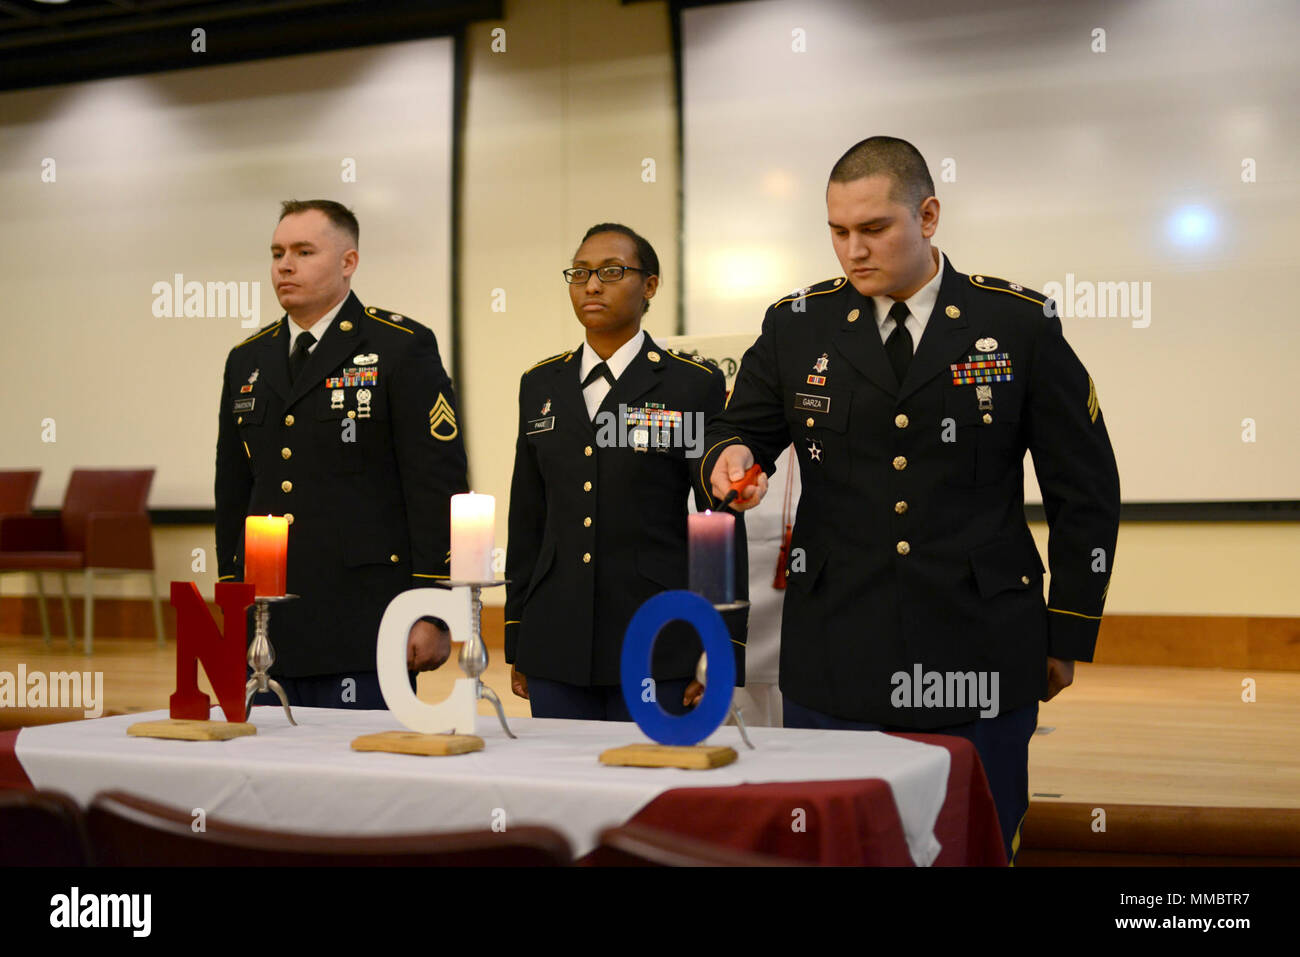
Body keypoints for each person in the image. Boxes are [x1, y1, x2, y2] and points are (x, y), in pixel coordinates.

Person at [700, 137, 1120, 862]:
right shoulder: (798, 323)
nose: (852, 250)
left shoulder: (1016, 323)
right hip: (836, 650)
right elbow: (738, 432)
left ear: (927, 216)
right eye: (837, 232)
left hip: (979, 642)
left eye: (873, 229)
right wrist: (729, 458)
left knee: (969, 845)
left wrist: (1067, 631)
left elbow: (1085, 488)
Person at [214, 199, 469, 709]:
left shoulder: (400, 346)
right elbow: (233, 487)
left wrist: (435, 609)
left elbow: (436, 484)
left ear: (348, 262)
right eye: (277, 252)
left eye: (304, 251)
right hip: (272, 623)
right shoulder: (249, 359)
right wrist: (233, 597)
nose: (284, 265)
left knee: (367, 778)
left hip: (368, 620)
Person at [505, 223, 746, 721]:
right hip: (556, 638)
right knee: (562, 790)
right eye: (580, 273)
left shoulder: (689, 385)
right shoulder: (540, 383)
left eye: (611, 272)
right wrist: (517, 634)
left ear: (650, 285)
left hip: (661, 638)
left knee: (653, 788)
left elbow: (718, 522)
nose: (592, 285)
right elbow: (528, 515)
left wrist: (721, 647)